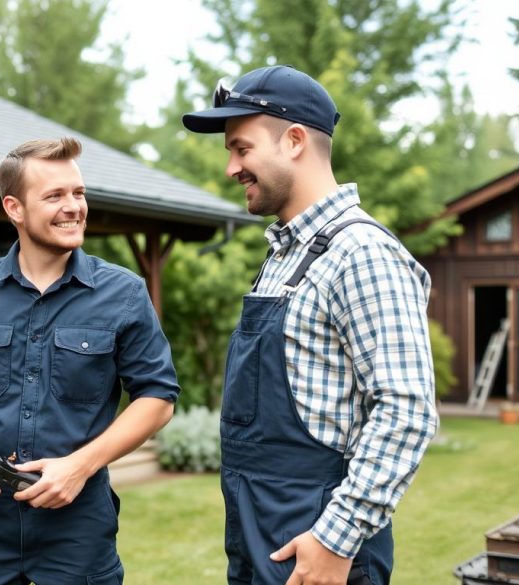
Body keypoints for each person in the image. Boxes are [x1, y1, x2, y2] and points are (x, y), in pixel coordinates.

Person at [182, 65, 437, 585]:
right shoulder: (285, 256)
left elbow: (407, 410)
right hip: (261, 535)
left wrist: (334, 541)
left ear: (294, 140)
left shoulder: (362, 253)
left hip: (318, 549)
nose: (231, 167)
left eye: (241, 148)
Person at [0, 137, 179, 585]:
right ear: (14, 208)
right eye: (54, 195)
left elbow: (158, 396)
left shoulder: (124, 293)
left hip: (79, 530)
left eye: (79, 193)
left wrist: (80, 466)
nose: (74, 207)